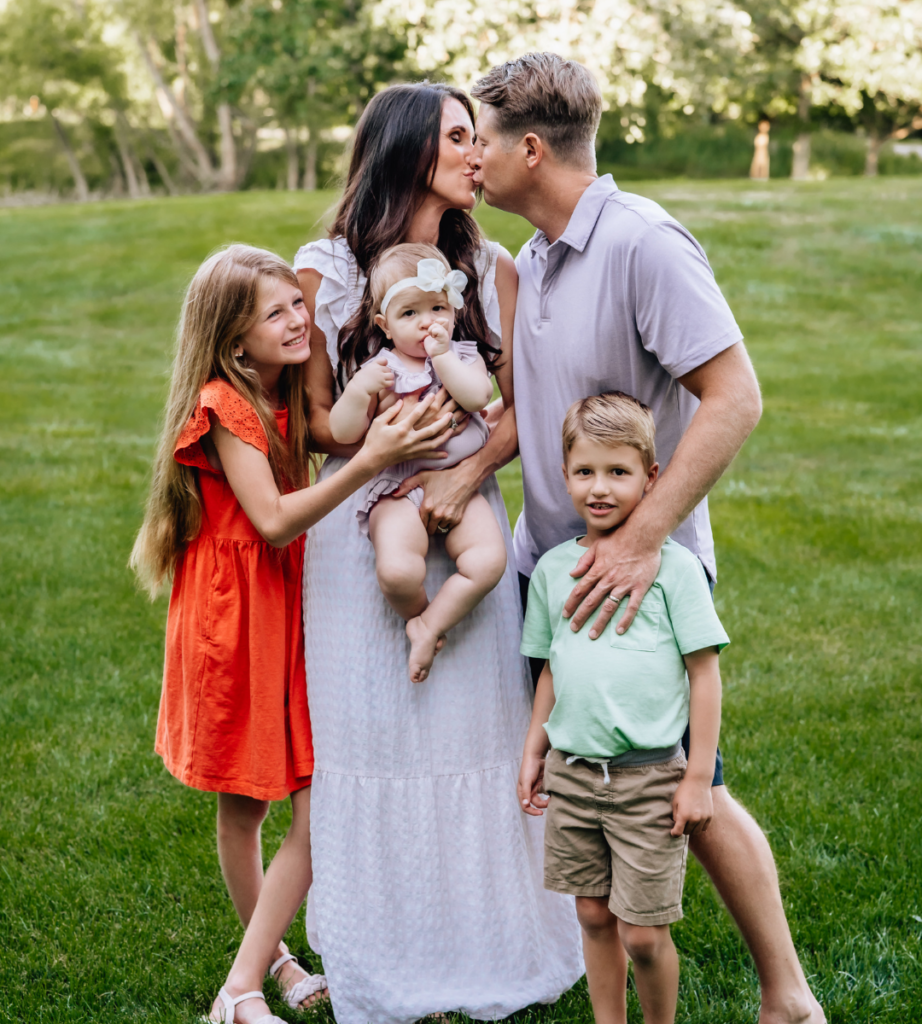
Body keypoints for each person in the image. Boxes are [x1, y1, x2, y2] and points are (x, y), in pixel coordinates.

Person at [468, 52, 825, 1024]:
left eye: (481, 138)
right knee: (602, 774)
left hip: (639, 579)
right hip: (560, 578)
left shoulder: (642, 244)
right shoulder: (535, 257)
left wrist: (641, 540)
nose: (472, 159)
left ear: (528, 149)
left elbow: (735, 396)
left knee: (687, 785)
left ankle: (788, 996)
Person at [294, 82, 583, 1024]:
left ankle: (485, 938)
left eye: (479, 135)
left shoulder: (492, 264)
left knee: (473, 732)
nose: (478, 151)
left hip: (466, 517)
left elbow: (518, 406)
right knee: (373, 736)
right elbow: (311, 428)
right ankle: (384, 945)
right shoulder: (327, 270)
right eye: (460, 136)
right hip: (363, 525)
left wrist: (459, 479)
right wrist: (383, 449)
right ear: (413, 149)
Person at [129, 244, 453, 1024]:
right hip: (233, 619)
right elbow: (272, 521)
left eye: (296, 304)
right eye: (274, 313)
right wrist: (372, 455)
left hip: (281, 606)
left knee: (313, 799)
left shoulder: (280, 394)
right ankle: (263, 968)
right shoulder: (225, 406)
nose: (297, 318)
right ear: (233, 338)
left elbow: (332, 436)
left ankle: (246, 979)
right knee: (246, 805)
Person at [519, 392, 729, 1024]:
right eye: (585, 472)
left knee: (642, 931)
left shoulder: (675, 570)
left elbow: (705, 674)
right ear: (565, 476)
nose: (600, 488)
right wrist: (535, 751)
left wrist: (697, 777)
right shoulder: (555, 570)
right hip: (575, 775)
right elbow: (550, 667)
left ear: (651, 476)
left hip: (651, 780)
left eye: (618, 472)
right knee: (590, 912)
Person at [330, 243, 506, 682]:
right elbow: (343, 432)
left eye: (437, 308)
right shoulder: (382, 368)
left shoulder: (463, 357)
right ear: (384, 326)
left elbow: (477, 397)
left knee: (488, 562)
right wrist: (357, 392)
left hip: (459, 483)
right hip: (397, 489)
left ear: (454, 310)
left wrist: (444, 357)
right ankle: (416, 612)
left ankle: (431, 625)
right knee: (398, 569)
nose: (428, 322)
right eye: (410, 314)